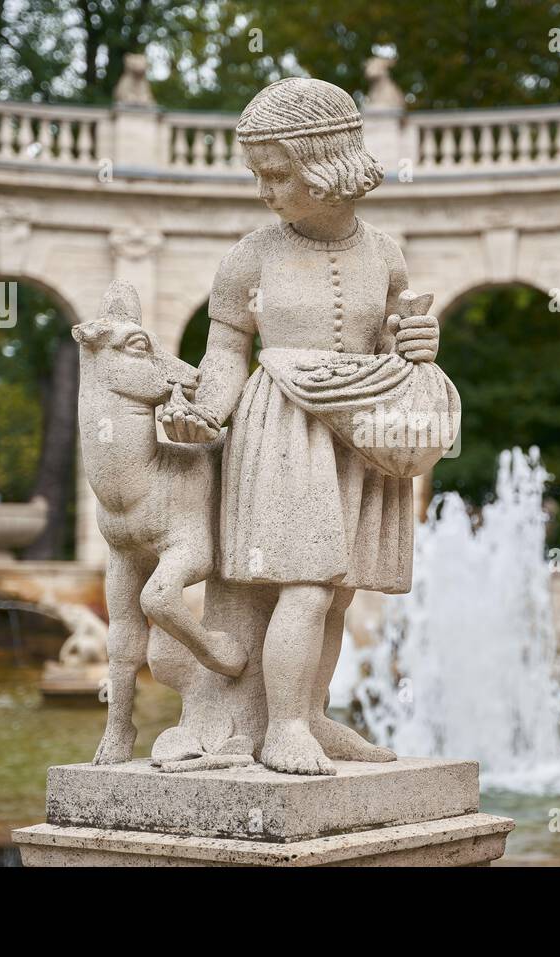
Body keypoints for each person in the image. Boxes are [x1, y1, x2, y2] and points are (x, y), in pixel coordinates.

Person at [163, 78, 442, 774]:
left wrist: (417, 343)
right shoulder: (250, 256)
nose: (266, 190)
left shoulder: (385, 252)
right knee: (305, 582)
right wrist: (204, 412)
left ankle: (312, 714)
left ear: (327, 164)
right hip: (282, 425)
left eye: (279, 174)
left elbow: (392, 342)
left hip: (362, 426)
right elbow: (225, 353)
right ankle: (281, 725)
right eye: (258, 175)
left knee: (338, 590)